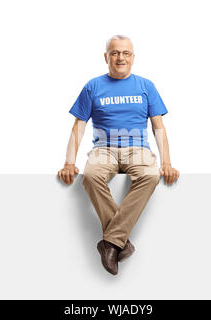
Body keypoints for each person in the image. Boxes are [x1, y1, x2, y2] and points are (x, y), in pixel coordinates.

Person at [57, 35, 179, 275]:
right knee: (91, 176)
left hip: (138, 149)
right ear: (106, 57)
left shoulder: (146, 86)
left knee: (150, 176)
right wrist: (69, 162)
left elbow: (158, 127)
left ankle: (110, 243)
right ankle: (121, 242)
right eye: (114, 53)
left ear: (133, 58)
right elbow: (78, 126)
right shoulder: (93, 86)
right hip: (104, 149)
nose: (120, 57)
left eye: (125, 53)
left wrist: (167, 162)